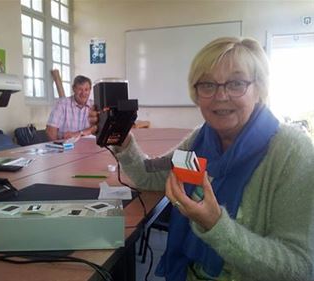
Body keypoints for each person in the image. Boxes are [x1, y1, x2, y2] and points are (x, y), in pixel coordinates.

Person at [89, 37, 314, 281]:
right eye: (207, 85)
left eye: (236, 83)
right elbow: (149, 175)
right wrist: (120, 138)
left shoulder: (292, 152)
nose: (221, 96)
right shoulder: (201, 140)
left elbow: (300, 268)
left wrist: (216, 224)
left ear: (259, 89)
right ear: (196, 93)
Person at [46, 75, 94, 141]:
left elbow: (97, 128)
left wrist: (77, 134)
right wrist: (59, 147)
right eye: (80, 89)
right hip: (66, 148)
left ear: (90, 90)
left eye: (86, 90)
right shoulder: (62, 104)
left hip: (88, 148)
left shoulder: (94, 106)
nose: (83, 93)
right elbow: (50, 131)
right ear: (73, 89)